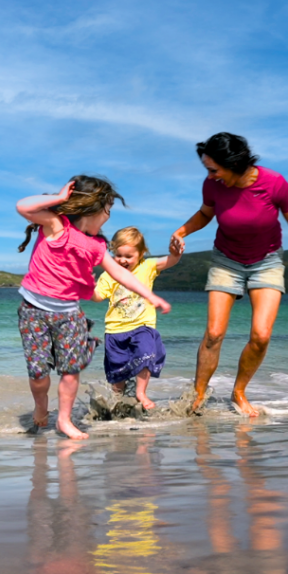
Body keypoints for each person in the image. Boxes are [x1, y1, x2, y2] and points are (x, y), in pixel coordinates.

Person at [170, 132, 288, 417]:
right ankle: (198, 395)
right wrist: (182, 231)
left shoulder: (274, 183)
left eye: (214, 169)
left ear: (234, 163)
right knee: (214, 334)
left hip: (266, 262)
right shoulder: (213, 185)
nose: (211, 175)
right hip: (225, 261)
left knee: (261, 336)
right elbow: (206, 213)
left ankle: (239, 392)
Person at [17, 176, 171, 440]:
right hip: (34, 312)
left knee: (70, 371)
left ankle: (63, 420)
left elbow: (123, 276)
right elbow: (24, 207)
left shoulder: (97, 246)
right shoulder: (56, 225)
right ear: (94, 208)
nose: (109, 216)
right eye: (108, 209)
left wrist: (150, 295)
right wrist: (60, 199)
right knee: (39, 374)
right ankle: (41, 405)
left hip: (70, 315)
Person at [92, 226, 183, 411]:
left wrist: (176, 254)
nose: (123, 260)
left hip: (143, 325)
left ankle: (141, 392)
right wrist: (87, 284)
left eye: (128, 256)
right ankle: (117, 402)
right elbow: (98, 297)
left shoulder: (147, 266)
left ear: (141, 253)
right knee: (118, 372)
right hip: (115, 329)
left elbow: (170, 261)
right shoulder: (109, 274)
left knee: (146, 354)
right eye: (118, 255)